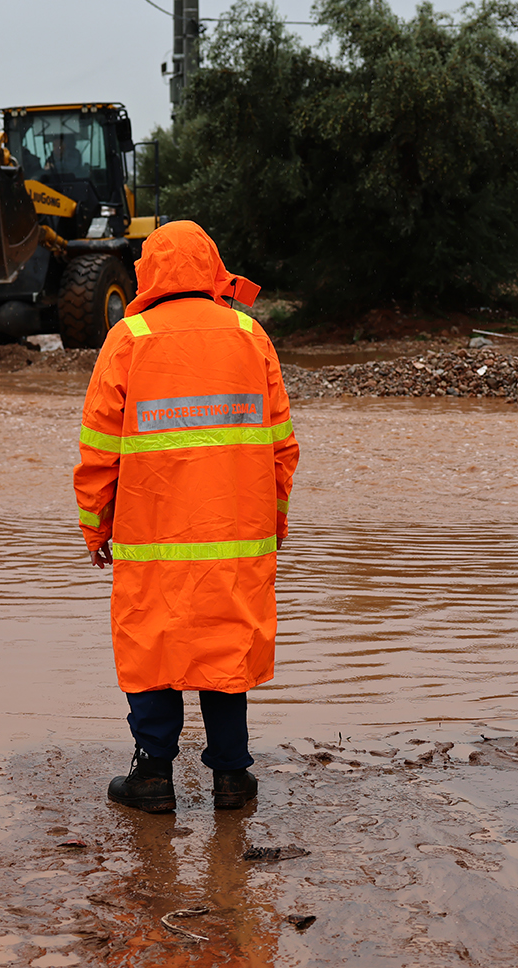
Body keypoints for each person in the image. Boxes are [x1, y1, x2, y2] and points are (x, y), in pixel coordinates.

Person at [73, 221, 299, 813]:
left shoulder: (128, 338)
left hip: (152, 535)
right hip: (236, 535)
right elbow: (281, 446)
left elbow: (99, 450)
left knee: (152, 644)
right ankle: (232, 776)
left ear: (148, 271)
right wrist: (274, 524)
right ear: (211, 266)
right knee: (226, 646)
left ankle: (153, 777)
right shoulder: (250, 335)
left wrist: (96, 526)